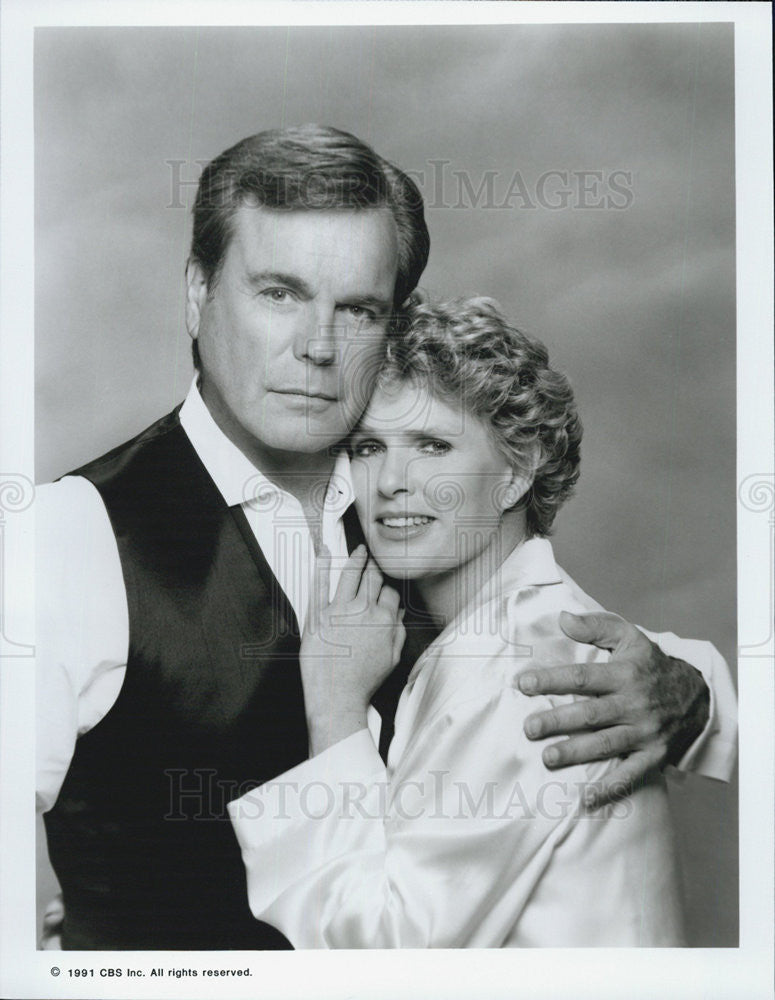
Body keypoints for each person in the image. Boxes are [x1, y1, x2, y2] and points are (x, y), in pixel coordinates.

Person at [36, 126, 736, 950]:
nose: (318, 347)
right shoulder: (68, 535)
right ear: (197, 291)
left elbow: (549, 658)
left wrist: (696, 701)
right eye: (279, 292)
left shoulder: (408, 519)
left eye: (358, 308)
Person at [228, 297, 713, 946]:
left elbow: (384, 957)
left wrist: (335, 707)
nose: (391, 481)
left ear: (516, 471)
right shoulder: (497, 638)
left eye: (432, 445)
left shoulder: (522, 670)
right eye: (368, 447)